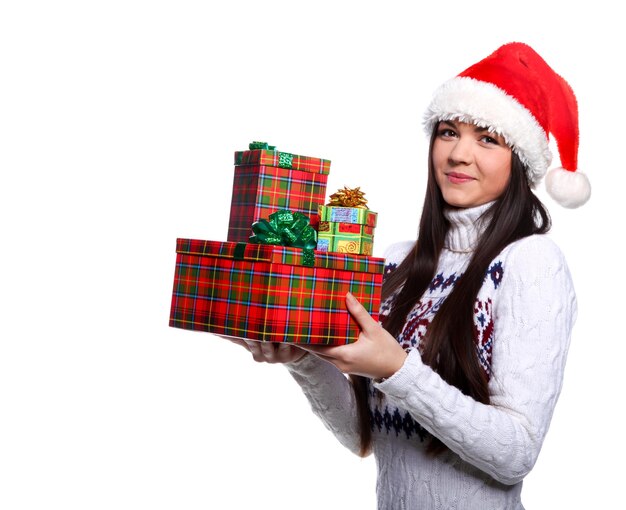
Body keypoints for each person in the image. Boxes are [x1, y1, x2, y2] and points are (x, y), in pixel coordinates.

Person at [228, 42, 590, 509]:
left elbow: (516, 453)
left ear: (519, 161)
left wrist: (398, 369)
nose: (459, 154)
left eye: (488, 138)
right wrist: (301, 357)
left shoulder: (531, 262)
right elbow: (365, 437)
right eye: (447, 132)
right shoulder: (398, 263)